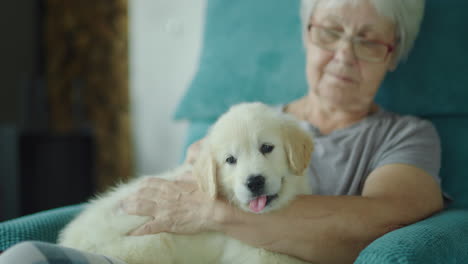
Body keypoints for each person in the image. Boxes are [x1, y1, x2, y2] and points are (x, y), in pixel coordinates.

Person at [0, 0, 444, 263]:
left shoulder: (405, 135)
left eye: (368, 41)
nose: (344, 54)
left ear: (393, 54)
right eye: (330, 32)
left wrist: (216, 213)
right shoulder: (242, 124)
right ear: (308, 36)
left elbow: (390, 217)